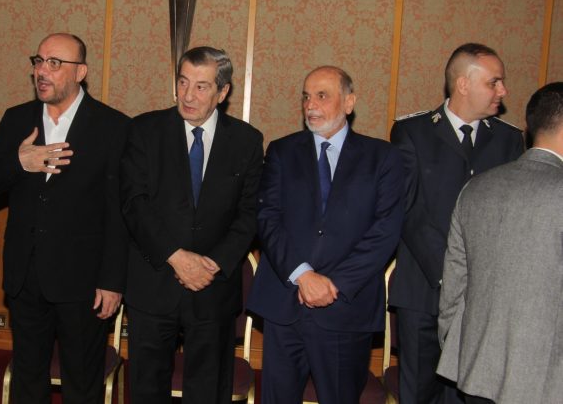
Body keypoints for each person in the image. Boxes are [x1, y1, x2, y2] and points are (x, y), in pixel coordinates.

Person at [0, 33, 129, 403]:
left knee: (82, 382)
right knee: (28, 380)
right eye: (38, 61)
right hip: (26, 274)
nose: (42, 71)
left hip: (84, 281)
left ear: (81, 72)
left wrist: (112, 281)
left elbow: (120, 212)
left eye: (55, 63)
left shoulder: (113, 127)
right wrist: (19, 162)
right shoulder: (17, 119)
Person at [247, 66, 404, 404]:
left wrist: (334, 284)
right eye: (306, 96)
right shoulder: (281, 151)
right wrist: (303, 275)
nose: (310, 105)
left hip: (346, 308)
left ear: (349, 102)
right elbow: (267, 218)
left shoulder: (383, 157)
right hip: (285, 304)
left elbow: (386, 230)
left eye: (322, 96)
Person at [121, 46, 263, 404]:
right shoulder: (144, 130)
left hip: (213, 289)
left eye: (201, 86)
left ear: (223, 92)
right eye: (183, 82)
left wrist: (212, 264)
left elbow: (249, 214)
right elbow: (134, 203)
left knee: (208, 390)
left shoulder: (246, 141)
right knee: (146, 389)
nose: (187, 95)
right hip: (153, 283)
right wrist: (175, 256)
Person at [388, 43, 524, 403]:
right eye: (494, 82)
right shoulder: (412, 132)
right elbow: (409, 210)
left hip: (484, 298)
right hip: (424, 291)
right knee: (419, 393)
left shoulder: (509, 140)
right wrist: (453, 276)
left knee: (471, 394)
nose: (503, 91)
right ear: (464, 84)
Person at [437, 82, 563, 404]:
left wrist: (460, 351)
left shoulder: (476, 188)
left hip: (476, 371)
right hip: (547, 382)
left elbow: (453, 288)